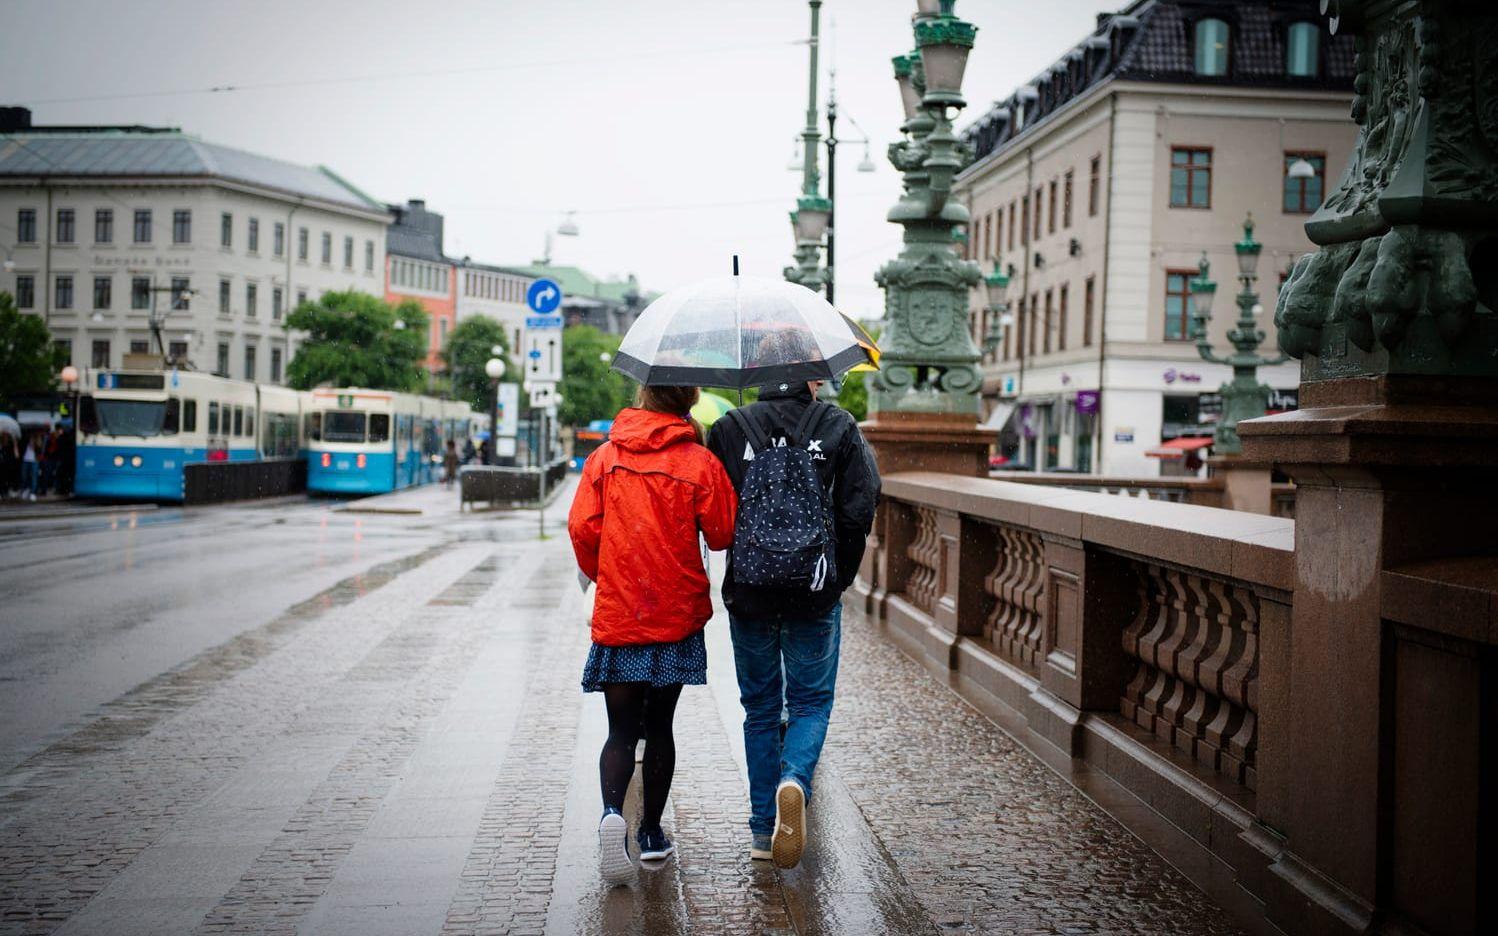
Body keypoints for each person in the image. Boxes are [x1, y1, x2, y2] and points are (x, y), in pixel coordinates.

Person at [705, 371, 880, 869]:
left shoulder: (730, 426)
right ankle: (795, 780)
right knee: (809, 702)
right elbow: (859, 508)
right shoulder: (839, 425)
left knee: (760, 710)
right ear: (811, 378)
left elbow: (716, 516)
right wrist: (835, 578)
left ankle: (762, 832)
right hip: (813, 590)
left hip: (751, 590)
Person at [567, 385, 737, 885]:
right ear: (687, 400)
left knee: (620, 731)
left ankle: (610, 815)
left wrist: (608, 571)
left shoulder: (604, 457)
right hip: (674, 614)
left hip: (621, 612)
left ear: (643, 395)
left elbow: (581, 528)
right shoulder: (698, 462)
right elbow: (724, 531)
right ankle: (651, 836)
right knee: (659, 728)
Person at [21, 433, 41, 502]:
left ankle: (33, 492)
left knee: (34, 476)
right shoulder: (25, 440)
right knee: (24, 476)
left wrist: (34, 445)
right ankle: (26, 489)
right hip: (25, 460)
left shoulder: (38, 440)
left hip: (34, 460)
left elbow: (40, 450)